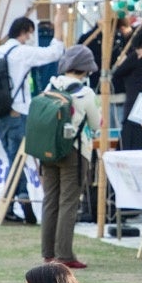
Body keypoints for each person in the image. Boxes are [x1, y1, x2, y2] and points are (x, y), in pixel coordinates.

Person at [0, 16, 65, 224]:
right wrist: (59, 26)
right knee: (17, 162)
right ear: (24, 32)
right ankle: (18, 204)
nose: (32, 37)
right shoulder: (21, 52)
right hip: (17, 113)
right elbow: (53, 53)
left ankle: (18, 205)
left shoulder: (0, 51)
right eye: (31, 33)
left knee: (14, 161)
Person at [39, 45, 103, 269]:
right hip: (74, 151)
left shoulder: (50, 85)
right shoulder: (86, 93)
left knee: (50, 200)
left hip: (48, 150)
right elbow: (96, 124)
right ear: (86, 69)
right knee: (68, 202)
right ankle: (64, 254)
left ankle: (48, 253)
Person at [110, 22, 142, 149]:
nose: (140, 57)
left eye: (140, 53)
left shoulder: (135, 58)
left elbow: (117, 73)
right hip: (141, 113)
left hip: (139, 114)